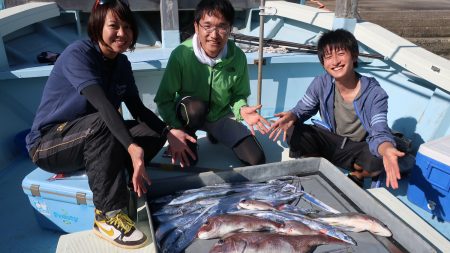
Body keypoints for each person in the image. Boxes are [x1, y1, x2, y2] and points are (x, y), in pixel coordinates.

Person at [25, 0, 173, 249]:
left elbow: (137, 109)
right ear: (97, 26)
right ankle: (107, 214)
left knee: (151, 132)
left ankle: (120, 176)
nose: (122, 34)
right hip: (49, 143)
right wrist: (131, 147)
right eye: (114, 25)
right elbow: (103, 106)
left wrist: (168, 132)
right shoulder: (78, 54)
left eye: (127, 27)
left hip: (92, 135)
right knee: (105, 123)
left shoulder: (121, 63)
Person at [269, 29, 405, 189]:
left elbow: (379, 129)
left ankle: (358, 174)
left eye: (340, 53)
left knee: (380, 157)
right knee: (294, 131)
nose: (335, 62)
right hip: (332, 140)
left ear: (354, 56)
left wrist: (387, 149)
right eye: (328, 57)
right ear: (323, 63)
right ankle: (319, 168)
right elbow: (302, 109)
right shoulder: (321, 83)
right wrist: (291, 116)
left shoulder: (375, 94)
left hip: (360, 146)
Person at [154, 0, 270, 167]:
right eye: (207, 26)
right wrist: (175, 129)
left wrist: (242, 109)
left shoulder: (237, 57)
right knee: (189, 161)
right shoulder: (181, 55)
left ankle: (214, 133)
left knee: (256, 160)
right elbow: (164, 100)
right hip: (189, 115)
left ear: (230, 29)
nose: (214, 35)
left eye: (222, 27)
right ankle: (189, 135)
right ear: (196, 27)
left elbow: (238, 94)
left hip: (220, 115)